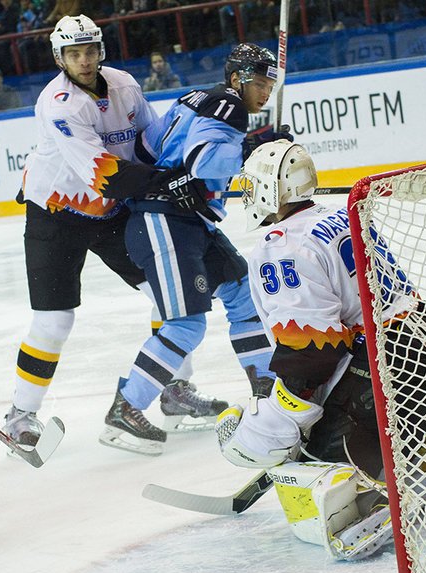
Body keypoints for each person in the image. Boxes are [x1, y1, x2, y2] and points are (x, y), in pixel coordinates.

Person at [2, 14, 205, 449]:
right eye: (74, 53)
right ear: (61, 57)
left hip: (112, 214)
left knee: (166, 294)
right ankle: (21, 412)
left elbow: (153, 141)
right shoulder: (59, 104)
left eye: (91, 50)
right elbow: (104, 173)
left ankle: (173, 389)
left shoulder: (125, 85)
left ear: (101, 50)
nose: (85, 59)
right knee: (54, 321)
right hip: (56, 216)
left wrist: (190, 167)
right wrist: (168, 184)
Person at [217, 140, 426, 481]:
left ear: (272, 189)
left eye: (254, 184)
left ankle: (379, 476)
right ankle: (408, 456)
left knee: (315, 461)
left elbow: (315, 352)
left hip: (384, 380)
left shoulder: (283, 246)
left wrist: (270, 428)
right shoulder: (342, 214)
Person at [105, 43, 293, 455]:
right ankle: (127, 406)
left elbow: (148, 147)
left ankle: (264, 382)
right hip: (165, 222)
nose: (264, 92)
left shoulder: (198, 99)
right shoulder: (229, 104)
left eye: (269, 84)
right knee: (186, 324)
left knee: (243, 294)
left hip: (187, 220)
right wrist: (254, 149)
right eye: (258, 83)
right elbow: (204, 160)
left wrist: (252, 143)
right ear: (235, 80)